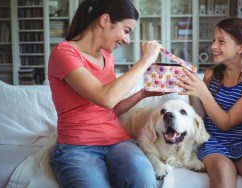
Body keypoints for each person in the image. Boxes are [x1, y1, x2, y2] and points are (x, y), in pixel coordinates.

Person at [48, 0, 163, 187]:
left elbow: (110, 109)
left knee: (144, 181)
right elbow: (105, 98)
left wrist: (143, 93)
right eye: (126, 30)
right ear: (105, 20)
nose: (127, 40)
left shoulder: (106, 57)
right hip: (78, 147)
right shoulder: (64, 54)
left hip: (118, 143)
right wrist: (145, 61)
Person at [178, 17, 242, 188]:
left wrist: (202, 91)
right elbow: (200, 115)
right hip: (212, 140)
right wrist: (192, 90)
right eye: (214, 40)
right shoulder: (211, 74)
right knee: (222, 170)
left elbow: (226, 123)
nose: (214, 46)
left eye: (221, 41)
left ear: (241, 47)